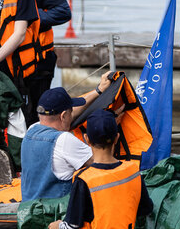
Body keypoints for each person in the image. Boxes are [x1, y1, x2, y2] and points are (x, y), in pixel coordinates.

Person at [48, 109, 154, 229]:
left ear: (87, 139)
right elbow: (146, 209)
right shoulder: (133, 171)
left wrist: (57, 226)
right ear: (117, 138)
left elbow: (71, 228)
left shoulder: (84, 179)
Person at [0, 0, 71, 125]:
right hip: (18, 61)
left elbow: (63, 11)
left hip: (39, 64)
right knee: (16, 115)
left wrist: (29, 19)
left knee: (35, 116)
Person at [20, 72, 113, 202]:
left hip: (29, 210)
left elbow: (70, 115)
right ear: (63, 116)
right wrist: (110, 128)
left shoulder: (31, 130)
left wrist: (99, 91)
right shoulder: (64, 140)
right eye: (69, 112)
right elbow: (102, 159)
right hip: (56, 214)